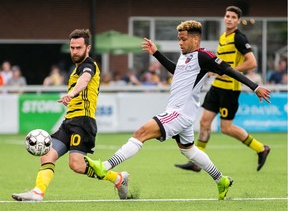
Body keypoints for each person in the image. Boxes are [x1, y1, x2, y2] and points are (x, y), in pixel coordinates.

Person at [84, 20, 271, 200]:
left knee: (140, 133)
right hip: (183, 114)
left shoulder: (204, 56)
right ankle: (221, 180)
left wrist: (255, 87)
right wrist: (156, 53)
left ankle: (105, 166)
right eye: (179, 39)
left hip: (179, 113)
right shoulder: (185, 57)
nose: (180, 43)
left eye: (183, 39)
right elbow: (177, 70)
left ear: (195, 40)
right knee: (189, 151)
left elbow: (229, 70)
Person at [12, 29, 129, 201]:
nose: (74, 51)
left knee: (76, 165)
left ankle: (117, 178)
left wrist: (72, 93)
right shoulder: (75, 69)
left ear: (87, 48)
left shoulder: (88, 65)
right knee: (47, 154)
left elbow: (86, 79)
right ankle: (38, 192)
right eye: (72, 48)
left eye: (78, 48)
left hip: (83, 121)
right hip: (69, 122)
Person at [175, 6, 271, 173]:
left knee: (226, 128)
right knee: (204, 122)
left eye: (233, 17)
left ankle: (261, 148)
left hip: (230, 90)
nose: (229, 19)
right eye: (227, 16)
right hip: (216, 87)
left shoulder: (239, 38)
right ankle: (198, 161)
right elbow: (220, 62)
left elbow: (252, 63)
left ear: (238, 21)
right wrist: (214, 70)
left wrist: (230, 72)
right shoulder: (223, 36)